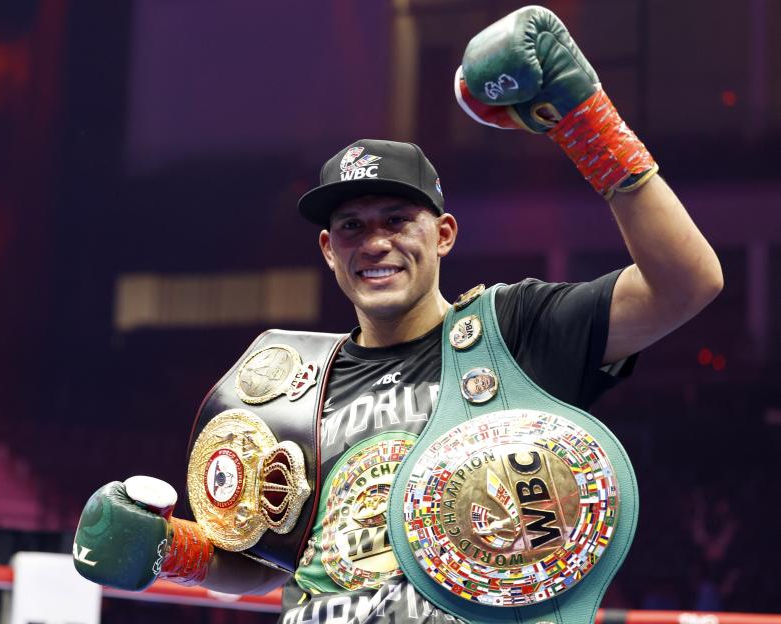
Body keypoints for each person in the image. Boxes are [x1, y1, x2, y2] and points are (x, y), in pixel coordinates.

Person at [73, 6, 723, 623]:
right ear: (329, 251)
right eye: (352, 226)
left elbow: (684, 284)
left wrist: (586, 120)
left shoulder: (513, 331)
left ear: (443, 234)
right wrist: (169, 549)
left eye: (397, 220)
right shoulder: (295, 381)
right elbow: (266, 565)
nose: (375, 242)